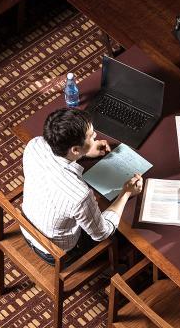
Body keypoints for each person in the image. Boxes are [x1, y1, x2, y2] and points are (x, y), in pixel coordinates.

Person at [21, 108, 143, 265]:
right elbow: (102, 233)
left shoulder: (35, 145)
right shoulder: (79, 196)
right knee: (126, 235)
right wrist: (125, 193)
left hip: (28, 228)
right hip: (55, 252)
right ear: (74, 149)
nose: (96, 137)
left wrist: (85, 151)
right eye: (91, 136)